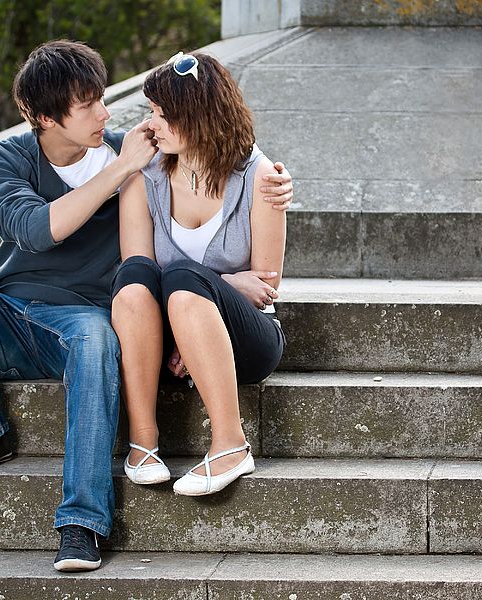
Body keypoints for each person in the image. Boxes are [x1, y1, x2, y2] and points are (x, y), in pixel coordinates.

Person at [0, 41, 293, 572]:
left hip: (83, 320)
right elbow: (36, 230)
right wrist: (120, 170)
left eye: (101, 98)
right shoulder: (11, 158)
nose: (107, 113)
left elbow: (213, 176)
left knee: (96, 335)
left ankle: (81, 524)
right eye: (88, 103)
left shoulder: (137, 151)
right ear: (46, 117)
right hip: (10, 314)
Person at [111, 51, 286, 497]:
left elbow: (264, 286)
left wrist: (214, 290)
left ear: (200, 117)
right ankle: (143, 442)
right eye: (151, 112)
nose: (152, 125)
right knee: (137, 277)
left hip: (246, 339)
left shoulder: (259, 177)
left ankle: (231, 445)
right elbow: (141, 276)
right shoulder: (144, 175)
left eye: (163, 115)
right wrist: (226, 282)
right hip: (165, 343)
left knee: (186, 278)